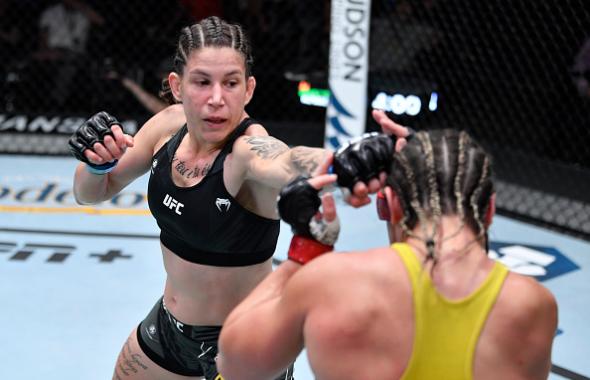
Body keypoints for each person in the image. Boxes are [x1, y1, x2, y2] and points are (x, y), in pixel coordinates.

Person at [68, 16, 409, 380]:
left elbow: (291, 160)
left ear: (247, 89)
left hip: (244, 342)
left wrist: (353, 160)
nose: (216, 99)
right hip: (169, 329)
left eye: (230, 83)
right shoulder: (168, 126)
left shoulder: (248, 152)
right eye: (202, 82)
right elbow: (88, 193)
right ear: (177, 86)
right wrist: (97, 163)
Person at [217, 127, 558, 380]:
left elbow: (235, 365)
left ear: (390, 204)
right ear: (490, 210)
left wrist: (306, 249)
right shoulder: (533, 306)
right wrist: (425, 158)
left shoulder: (333, 282)